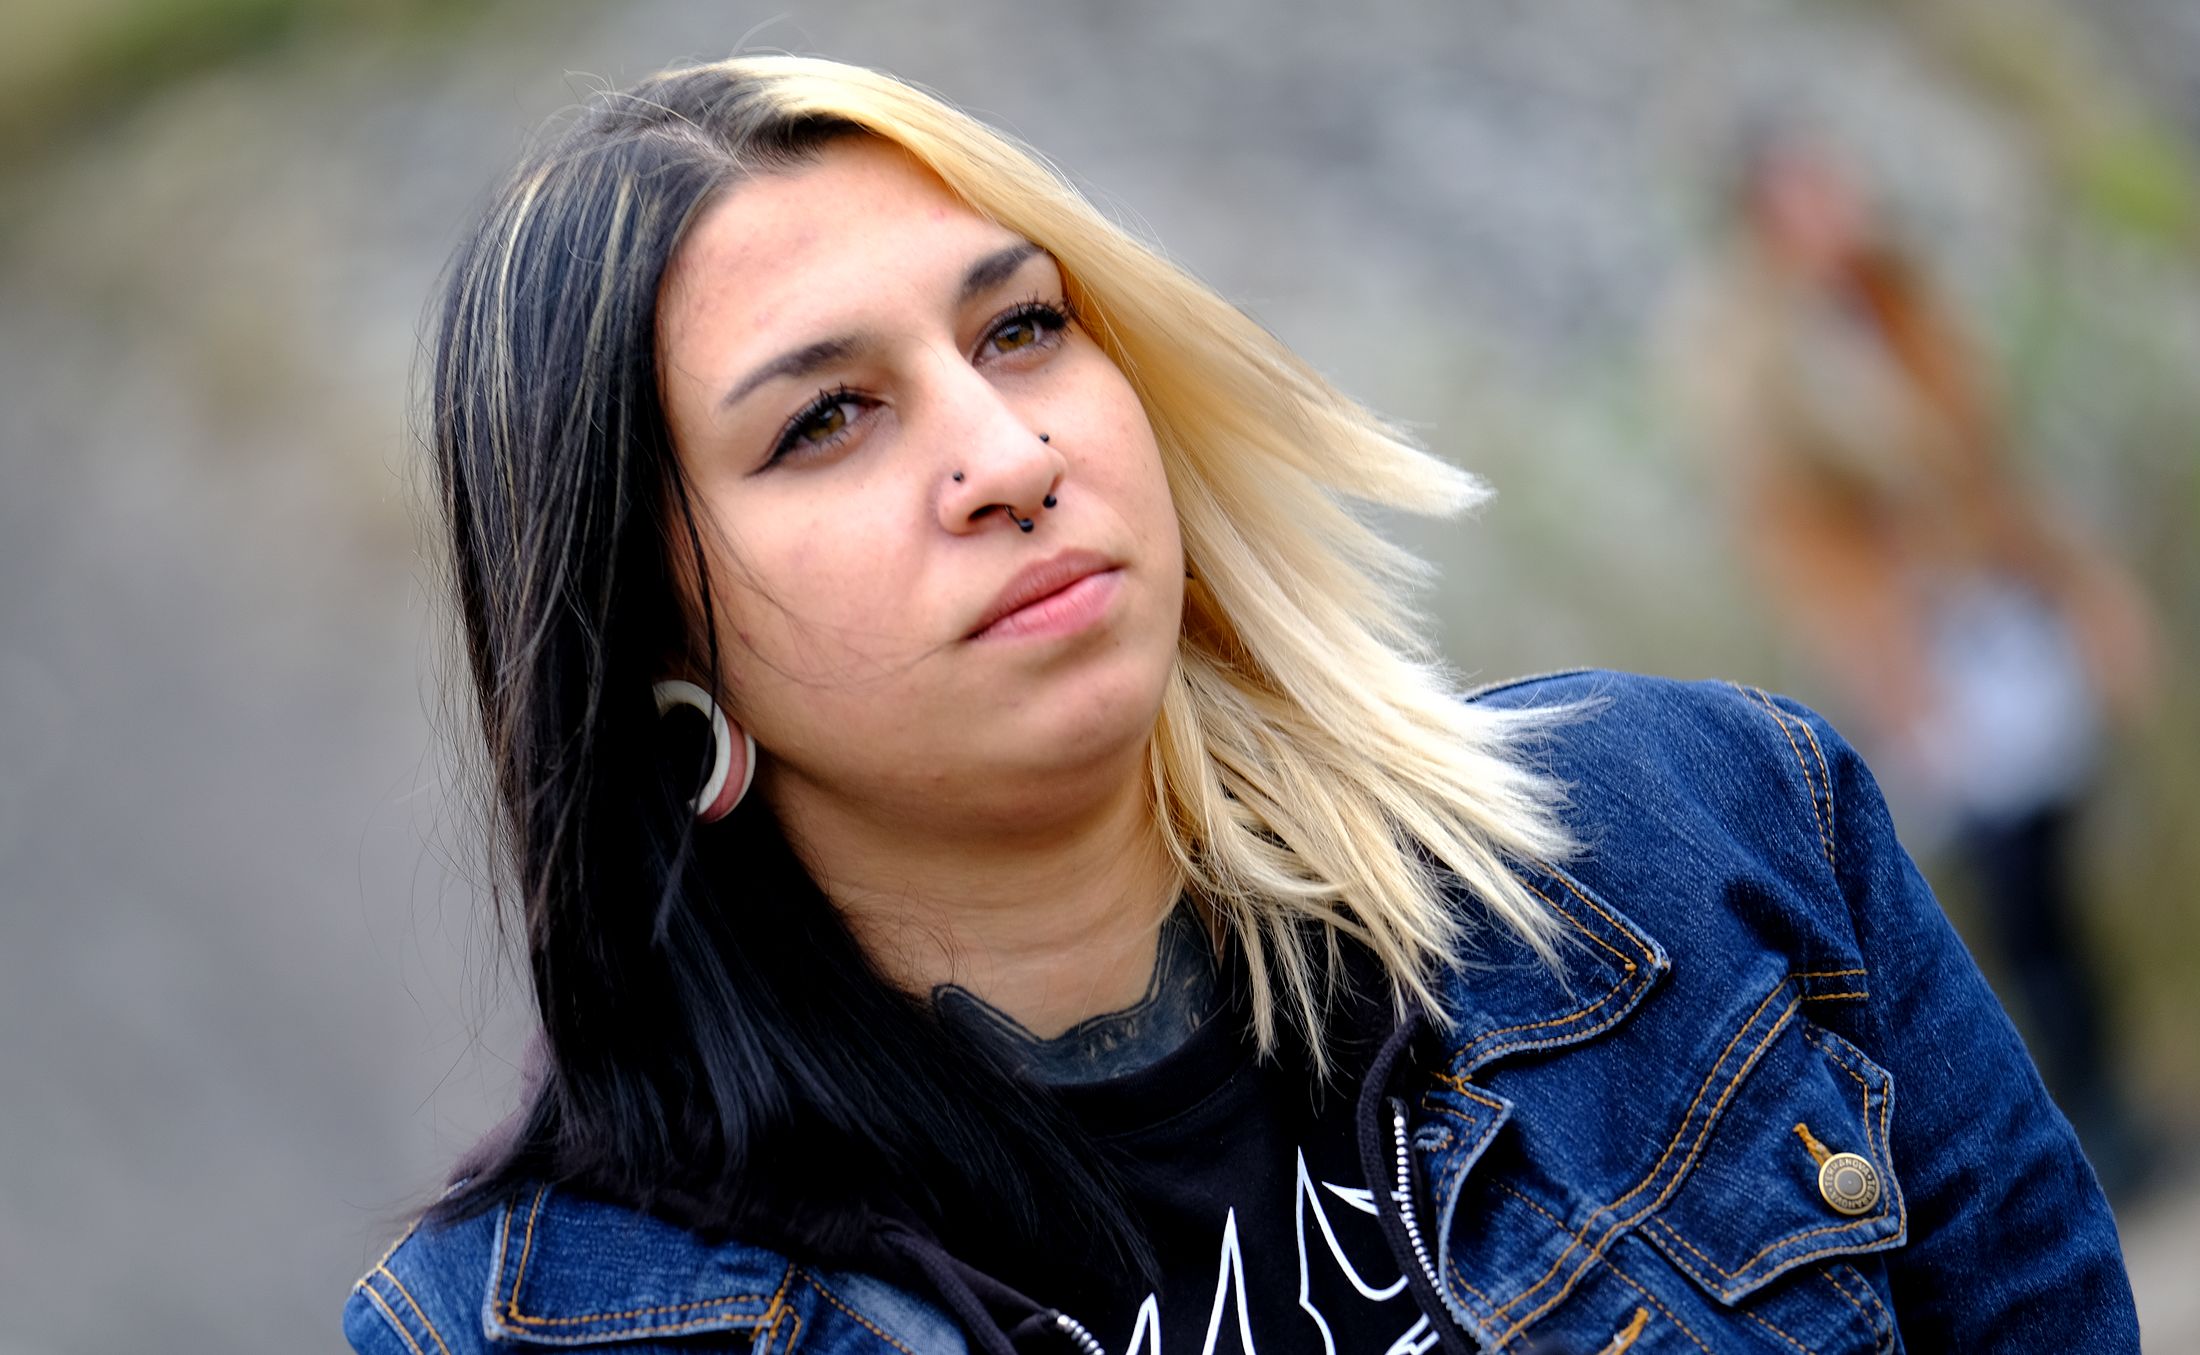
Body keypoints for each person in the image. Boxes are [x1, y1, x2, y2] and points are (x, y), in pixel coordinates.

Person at [344, 58, 2138, 1355]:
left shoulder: (1712, 837)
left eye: (1022, 328)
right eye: (826, 420)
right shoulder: (533, 1324)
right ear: (652, 651)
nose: (1005, 452)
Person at [1672, 133, 2161, 1196]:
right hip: (1911, 641)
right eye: (1810, 194)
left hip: (1996, 602)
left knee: (2054, 849)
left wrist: (2080, 587)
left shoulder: (1895, 301)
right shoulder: (1760, 363)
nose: (1839, 204)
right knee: (2001, 882)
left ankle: (2111, 1094)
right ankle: (2069, 1118)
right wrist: (1890, 665)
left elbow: (1990, 462)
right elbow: (1795, 534)